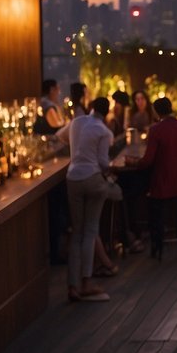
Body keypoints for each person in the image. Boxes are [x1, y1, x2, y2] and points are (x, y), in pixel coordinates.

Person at [128, 97, 177, 258]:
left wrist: (133, 162)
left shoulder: (156, 130)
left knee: (143, 198)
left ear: (155, 111)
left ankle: (156, 244)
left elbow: (147, 161)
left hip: (163, 185)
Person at [65, 97, 115, 303]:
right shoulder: (104, 131)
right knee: (90, 231)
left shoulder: (76, 122)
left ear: (92, 107)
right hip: (93, 179)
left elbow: (61, 137)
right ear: (107, 112)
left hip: (72, 178)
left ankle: (72, 287)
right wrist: (111, 171)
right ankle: (86, 283)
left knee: (76, 233)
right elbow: (103, 162)